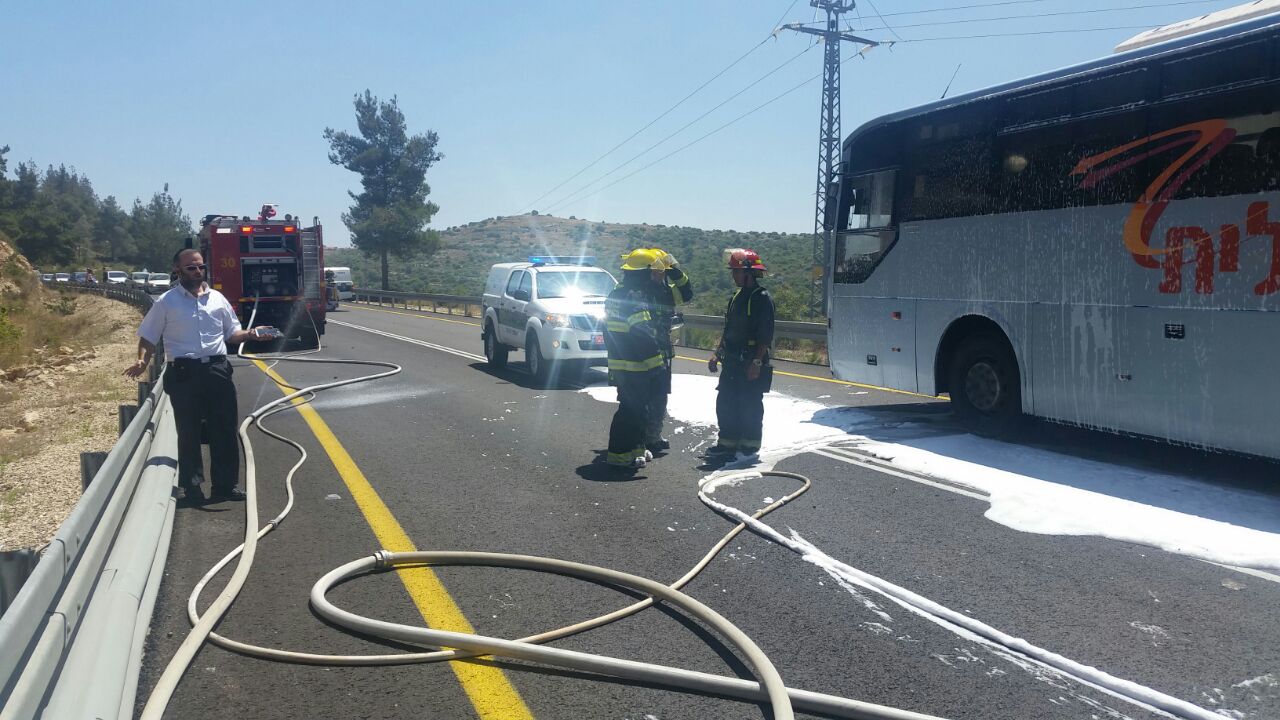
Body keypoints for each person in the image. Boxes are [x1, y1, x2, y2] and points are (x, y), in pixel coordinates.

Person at [124, 248, 277, 503]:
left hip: (217, 370)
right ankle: (191, 487)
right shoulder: (166, 302)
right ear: (178, 271)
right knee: (189, 431)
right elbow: (148, 337)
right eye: (191, 268)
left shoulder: (217, 299)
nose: (197, 272)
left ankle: (225, 487)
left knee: (225, 429)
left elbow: (232, 334)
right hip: (183, 373)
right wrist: (142, 360)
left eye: (200, 267)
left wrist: (252, 333)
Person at [706, 248, 775, 458]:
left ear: (749, 273)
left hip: (750, 360)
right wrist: (718, 353)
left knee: (750, 403)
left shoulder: (761, 298)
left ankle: (750, 444)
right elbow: (729, 330)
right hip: (732, 361)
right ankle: (727, 442)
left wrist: (756, 362)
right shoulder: (736, 297)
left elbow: (765, 334)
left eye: (736, 271)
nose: (733, 275)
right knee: (726, 402)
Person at [603, 248, 666, 470]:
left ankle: (635, 451)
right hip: (636, 368)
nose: (653, 278)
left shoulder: (615, 295)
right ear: (642, 273)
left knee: (636, 410)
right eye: (651, 273)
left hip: (621, 365)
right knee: (630, 412)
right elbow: (643, 336)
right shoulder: (634, 298)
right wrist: (657, 366)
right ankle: (619, 457)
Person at [642, 249, 693, 453]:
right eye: (655, 272)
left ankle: (654, 435)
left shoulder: (666, 290)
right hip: (642, 350)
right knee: (642, 395)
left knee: (660, 394)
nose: (658, 275)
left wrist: (674, 270)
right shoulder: (638, 290)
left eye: (661, 272)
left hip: (663, 349)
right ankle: (640, 437)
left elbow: (687, 293)